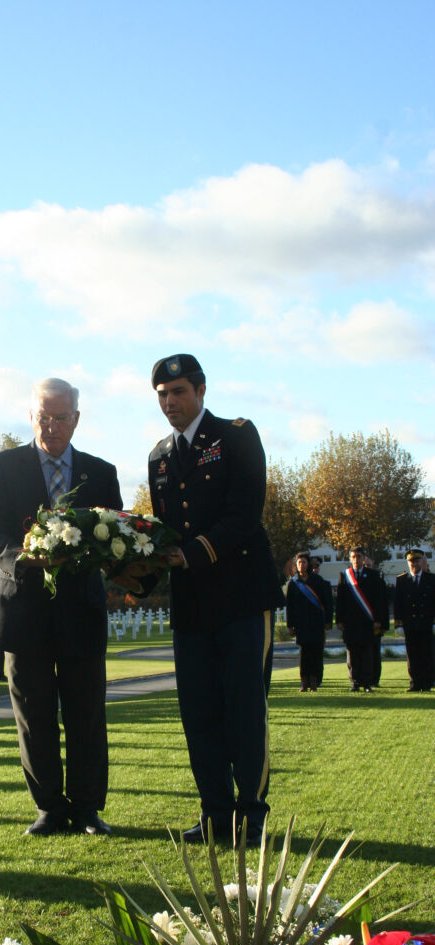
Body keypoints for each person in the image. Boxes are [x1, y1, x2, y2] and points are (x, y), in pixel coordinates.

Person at [0, 376, 122, 836]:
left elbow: (115, 535)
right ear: (31, 416)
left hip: (81, 611)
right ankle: (49, 809)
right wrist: (23, 559)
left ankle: (87, 809)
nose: (52, 427)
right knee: (34, 716)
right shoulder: (4, 466)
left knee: (86, 714)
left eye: (61, 419)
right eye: (44, 418)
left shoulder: (101, 473)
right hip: (24, 612)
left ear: (76, 419)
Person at [147, 354, 284, 846]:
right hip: (192, 605)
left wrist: (191, 555)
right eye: (162, 394)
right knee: (199, 713)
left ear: (201, 391)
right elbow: (165, 529)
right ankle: (215, 815)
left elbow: (245, 513)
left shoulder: (237, 435)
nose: (170, 402)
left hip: (243, 597)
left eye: (178, 391)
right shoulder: (159, 455)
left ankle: (251, 816)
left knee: (245, 710)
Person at [335, 546, 389, 693]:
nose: (356, 559)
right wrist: (339, 620)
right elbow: (340, 601)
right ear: (350, 559)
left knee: (366, 654)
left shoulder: (373, 575)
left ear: (363, 558)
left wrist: (378, 620)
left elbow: (379, 600)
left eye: (358, 556)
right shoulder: (345, 576)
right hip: (350, 623)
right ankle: (354, 682)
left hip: (367, 622)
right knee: (352, 655)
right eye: (353, 556)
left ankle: (366, 682)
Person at [286, 551, 333, 692]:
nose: (301, 565)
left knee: (316, 653)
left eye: (304, 562)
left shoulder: (318, 581)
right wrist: (290, 625)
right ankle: (304, 681)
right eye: (299, 562)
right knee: (304, 654)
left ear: (308, 564)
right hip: (301, 624)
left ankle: (314, 681)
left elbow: (327, 603)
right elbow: (290, 606)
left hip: (316, 623)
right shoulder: (293, 583)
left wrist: (328, 621)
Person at [393, 547, 435, 692]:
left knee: (427, 654)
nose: (414, 564)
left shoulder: (431, 579)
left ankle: (427, 683)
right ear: (407, 563)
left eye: (417, 561)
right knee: (412, 655)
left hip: (426, 623)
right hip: (410, 624)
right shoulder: (402, 580)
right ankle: (415, 683)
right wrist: (398, 623)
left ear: (421, 561)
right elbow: (398, 603)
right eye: (411, 561)